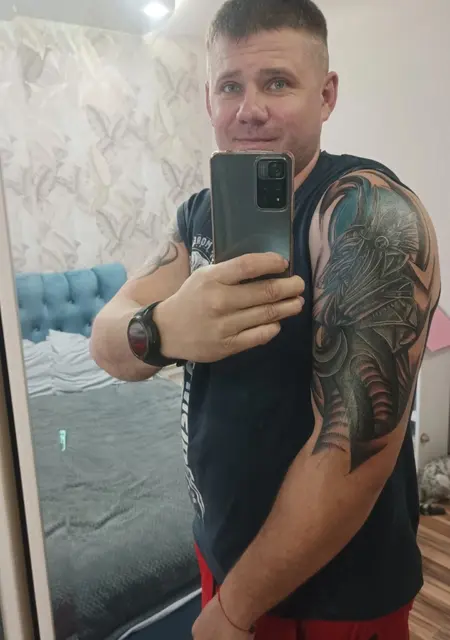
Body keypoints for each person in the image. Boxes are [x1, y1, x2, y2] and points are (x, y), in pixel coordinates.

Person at [90, 0, 441, 638]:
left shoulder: (368, 214)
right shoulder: (199, 213)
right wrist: (163, 328)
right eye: (231, 85)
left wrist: (233, 610)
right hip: (222, 554)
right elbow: (106, 338)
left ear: (326, 95)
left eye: (277, 82)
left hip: (332, 598)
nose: (249, 109)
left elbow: (351, 453)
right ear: (208, 99)